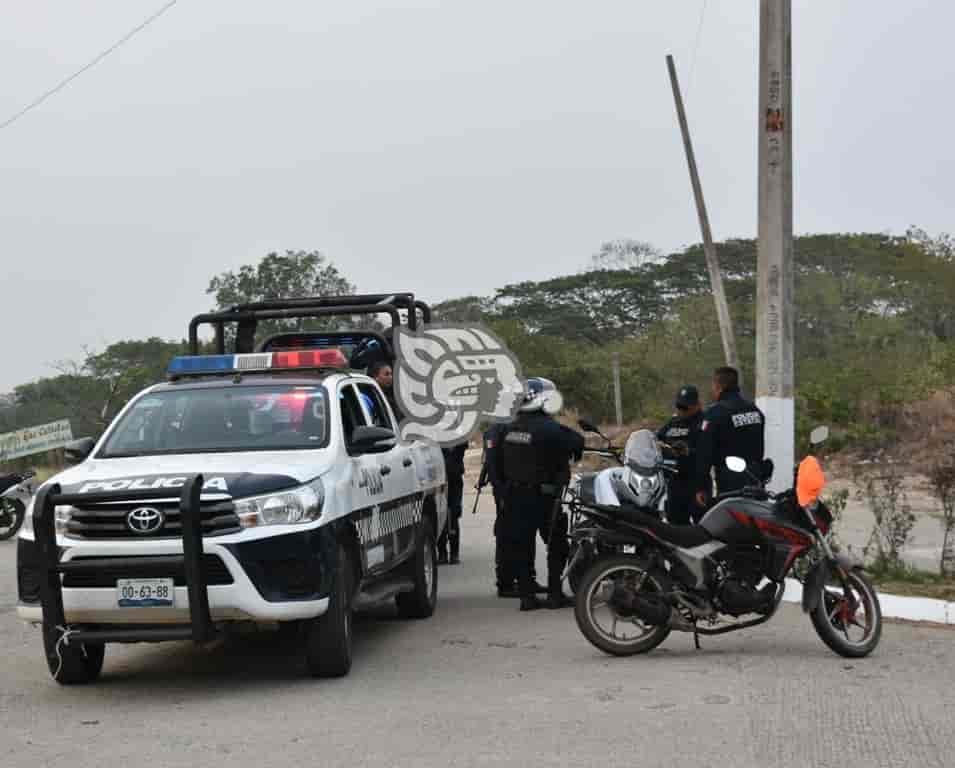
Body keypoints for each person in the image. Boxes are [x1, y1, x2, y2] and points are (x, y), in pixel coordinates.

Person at [495, 378, 584, 611]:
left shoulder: (507, 427)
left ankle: (526, 596)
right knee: (557, 544)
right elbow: (577, 441)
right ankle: (555, 594)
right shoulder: (550, 428)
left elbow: (496, 464)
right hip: (544, 497)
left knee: (521, 545)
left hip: (515, 495)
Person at [480, 424, 543, 598]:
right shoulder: (496, 430)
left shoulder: (513, 426)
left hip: (518, 488)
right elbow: (492, 465)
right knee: (506, 535)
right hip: (506, 490)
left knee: (525, 534)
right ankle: (506, 582)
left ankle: (527, 580)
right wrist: (501, 492)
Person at [695, 367, 766, 508]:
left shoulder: (715, 413)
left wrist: (701, 487)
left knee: (732, 525)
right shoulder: (755, 411)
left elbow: (704, 454)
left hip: (730, 483)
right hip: (755, 478)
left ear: (718, 386)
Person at [656, 385, 707, 524]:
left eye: (685, 407)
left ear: (697, 405)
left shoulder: (705, 422)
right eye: (679, 406)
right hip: (675, 482)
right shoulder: (673, 422)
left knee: (702, 524)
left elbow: (708, 451)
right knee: (675, 525)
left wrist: (688, 451)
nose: (681, 410)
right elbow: (656, 439)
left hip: (697, 483)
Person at [438, 441, 467, 565]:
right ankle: (442, 554)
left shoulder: (459, 436)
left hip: (454, 479)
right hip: (440, 480)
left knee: (454, 514)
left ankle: (454, 554)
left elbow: (464, 444)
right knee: (440, 516)